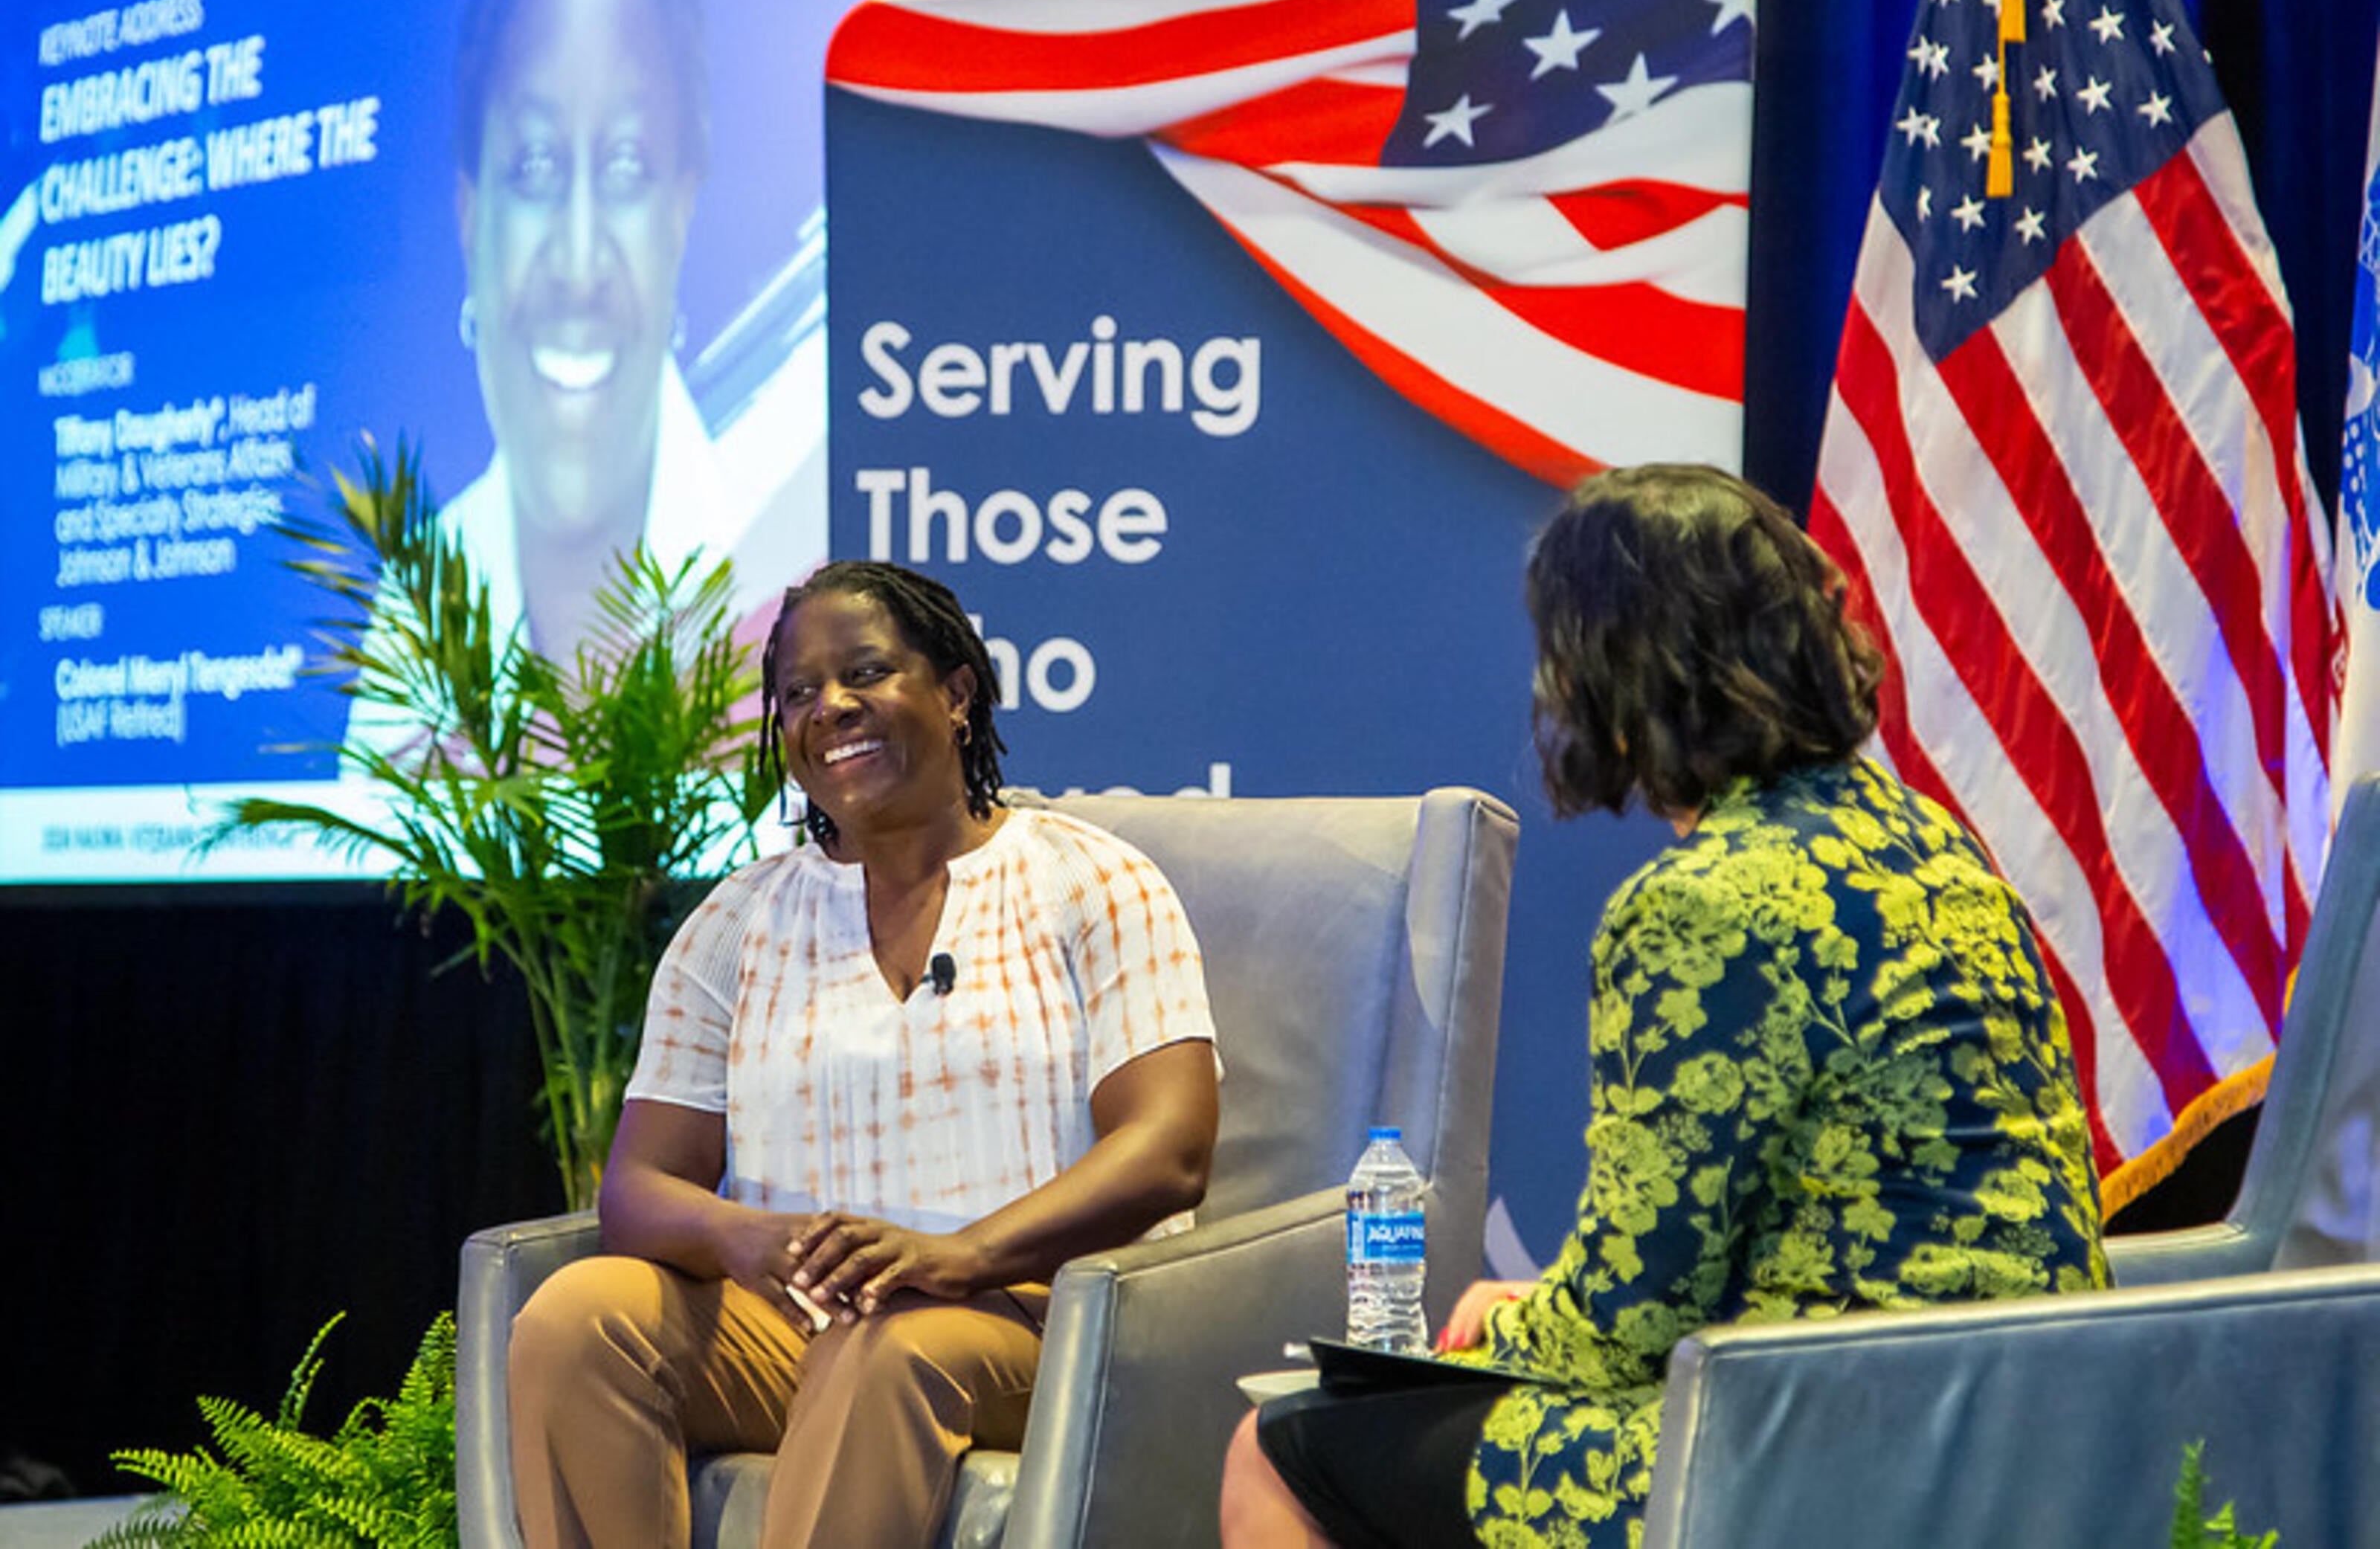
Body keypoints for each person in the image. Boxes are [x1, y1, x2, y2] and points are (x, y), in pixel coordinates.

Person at [1220, 463, 2109, 1549]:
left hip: (1816, 1447)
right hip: (2029, 1430)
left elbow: (1632, 1323)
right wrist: (1540, 1306)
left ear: (1613, 673)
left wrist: (1503, 1324)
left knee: (1278, 1446)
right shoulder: (1930, 842)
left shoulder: (1701, 904)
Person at [508, 560, 1223, 1548]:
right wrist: (749, 1240)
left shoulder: (1089, 879)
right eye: (798, 692)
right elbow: (637, 1187)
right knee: (576, 1317)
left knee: (887, 1344)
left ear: (958, 692)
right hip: (800, 1319)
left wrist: (958, 1253)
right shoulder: (738, 921)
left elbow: (1169, 1145)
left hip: (1042, 1310)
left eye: (865, 673)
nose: (829, 706)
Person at [448, 0, 814, 657]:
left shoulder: (786, 572)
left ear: (681, 210)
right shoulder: (414, 609)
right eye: (534, 165)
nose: (579, 264)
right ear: (470, 213)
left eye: (625, 168)